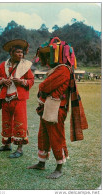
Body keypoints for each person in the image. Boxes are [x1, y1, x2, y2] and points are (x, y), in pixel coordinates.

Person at [28, 37, 88, 179]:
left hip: (57, 109)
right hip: (49, 107)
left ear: (59, 55)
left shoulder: (63, 70)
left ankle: (59, 167)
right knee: (43, 134)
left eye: (50, 54)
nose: (48, 58)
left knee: (56, 136)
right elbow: (45, 87)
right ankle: (41, 163)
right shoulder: (57, 69)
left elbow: (44, 86)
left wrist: (42, 88)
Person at [0, 39, 34, 158]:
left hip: (18, 99)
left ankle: (20, 149)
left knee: (20, 122)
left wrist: (22, 81)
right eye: (17, 52)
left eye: (21, 52)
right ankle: (7, 145)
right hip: (6, 98)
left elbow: (31, 80)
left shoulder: (25, 66)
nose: (20, 54)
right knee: (6, 122)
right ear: (11, 53)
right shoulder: (3, 65)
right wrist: (2, 80)